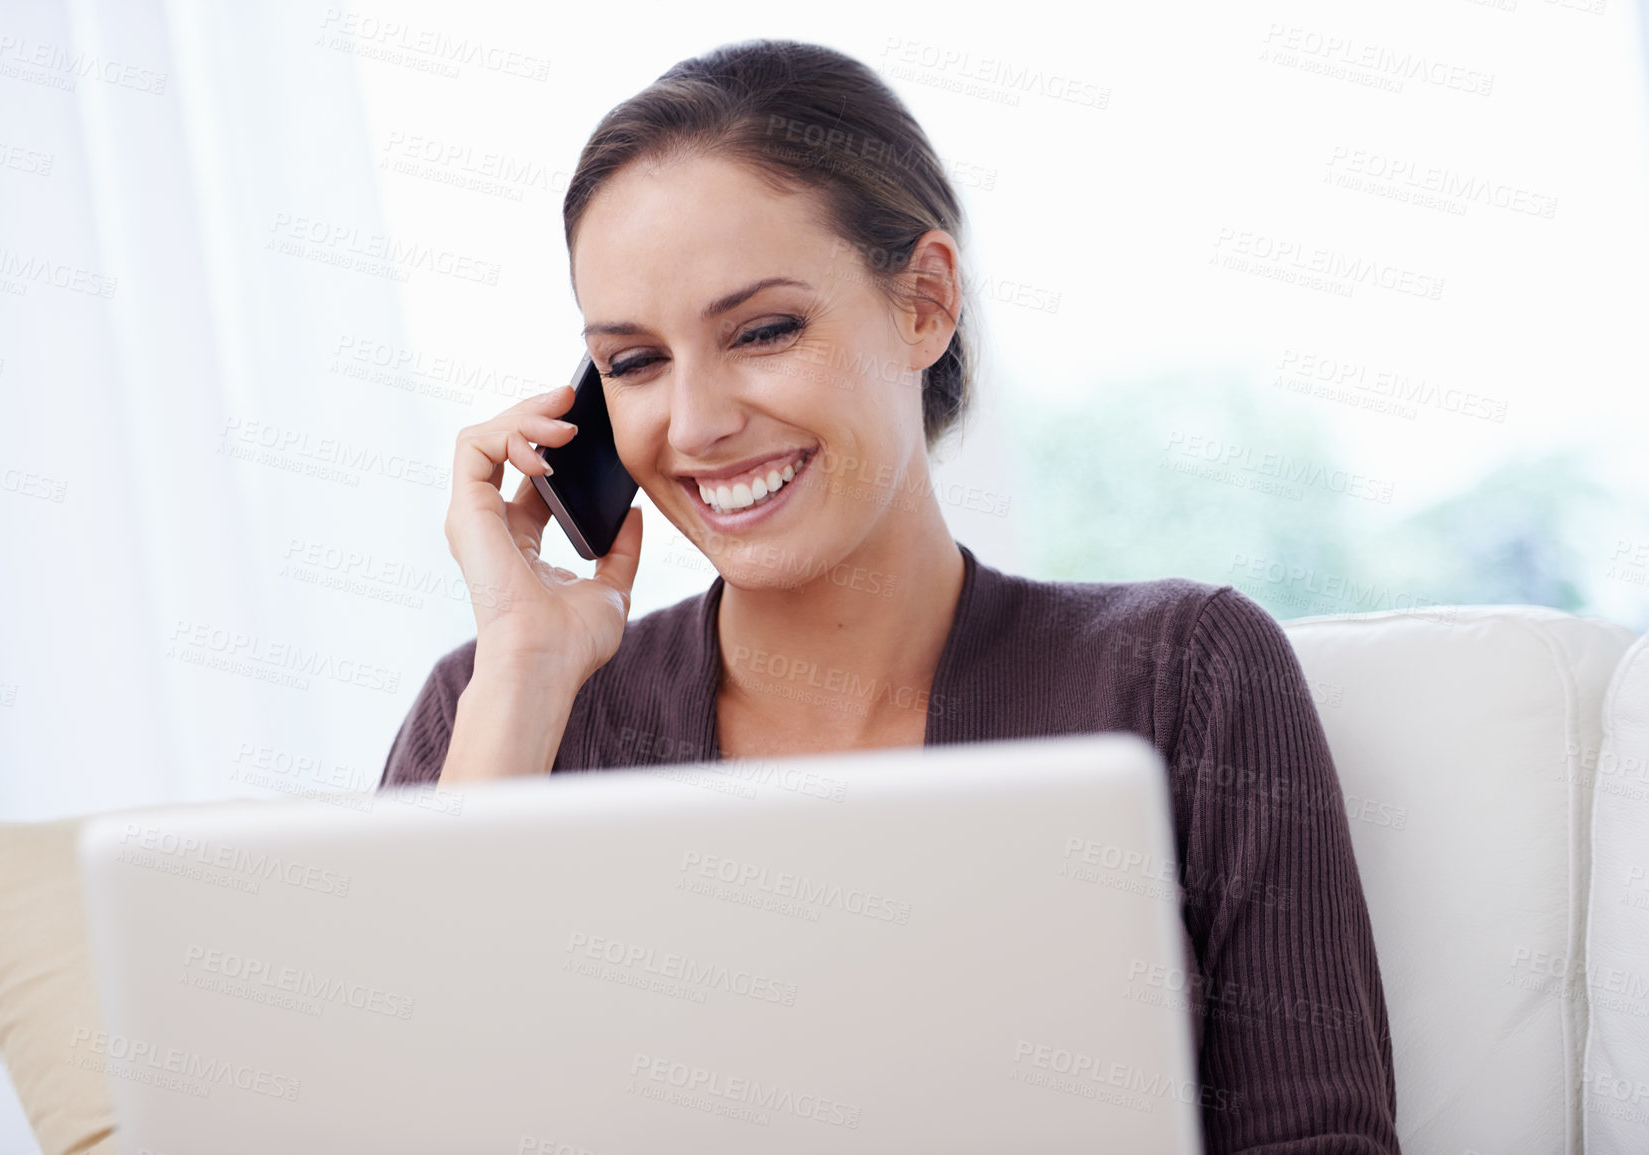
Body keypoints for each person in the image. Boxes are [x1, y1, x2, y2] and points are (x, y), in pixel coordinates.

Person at [378, 38, 1400, 1154]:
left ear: (924, 301)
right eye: (634, 363)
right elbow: (387, 1118)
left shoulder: (1181, 674)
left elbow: (1317, 1138)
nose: (698, 422)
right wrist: (520, 680)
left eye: (763, 331)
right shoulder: (499, 712)